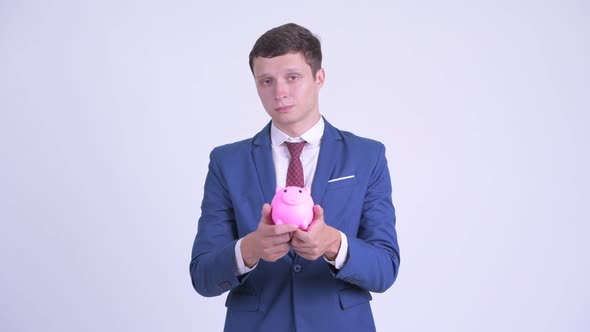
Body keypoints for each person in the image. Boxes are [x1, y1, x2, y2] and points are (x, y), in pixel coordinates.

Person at [190, 23, 400, 332]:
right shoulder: (226, 162)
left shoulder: (367, 156)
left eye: (292, 77)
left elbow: (385, 269)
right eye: (266, 81)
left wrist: (333, 244)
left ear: (319, 78)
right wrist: (250, 248)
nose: (280, 92)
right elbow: (203, 276)